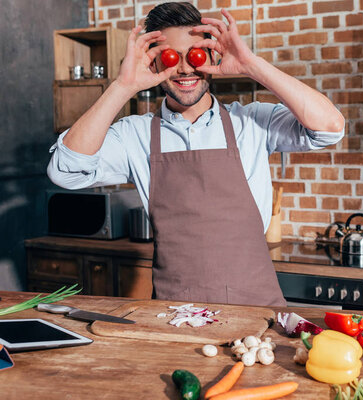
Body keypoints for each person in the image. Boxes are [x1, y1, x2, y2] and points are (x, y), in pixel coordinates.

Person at [47, 2, 345, 306]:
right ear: (155, 63)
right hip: (176, 315)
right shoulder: (134, 135)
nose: (186, 68)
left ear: (214, 55)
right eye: (172, 57)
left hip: (256, 314)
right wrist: (123, 86)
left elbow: (330, 128)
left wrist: (251, 64)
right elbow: (65, 170)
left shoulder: (252, 122)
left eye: (196, 54)